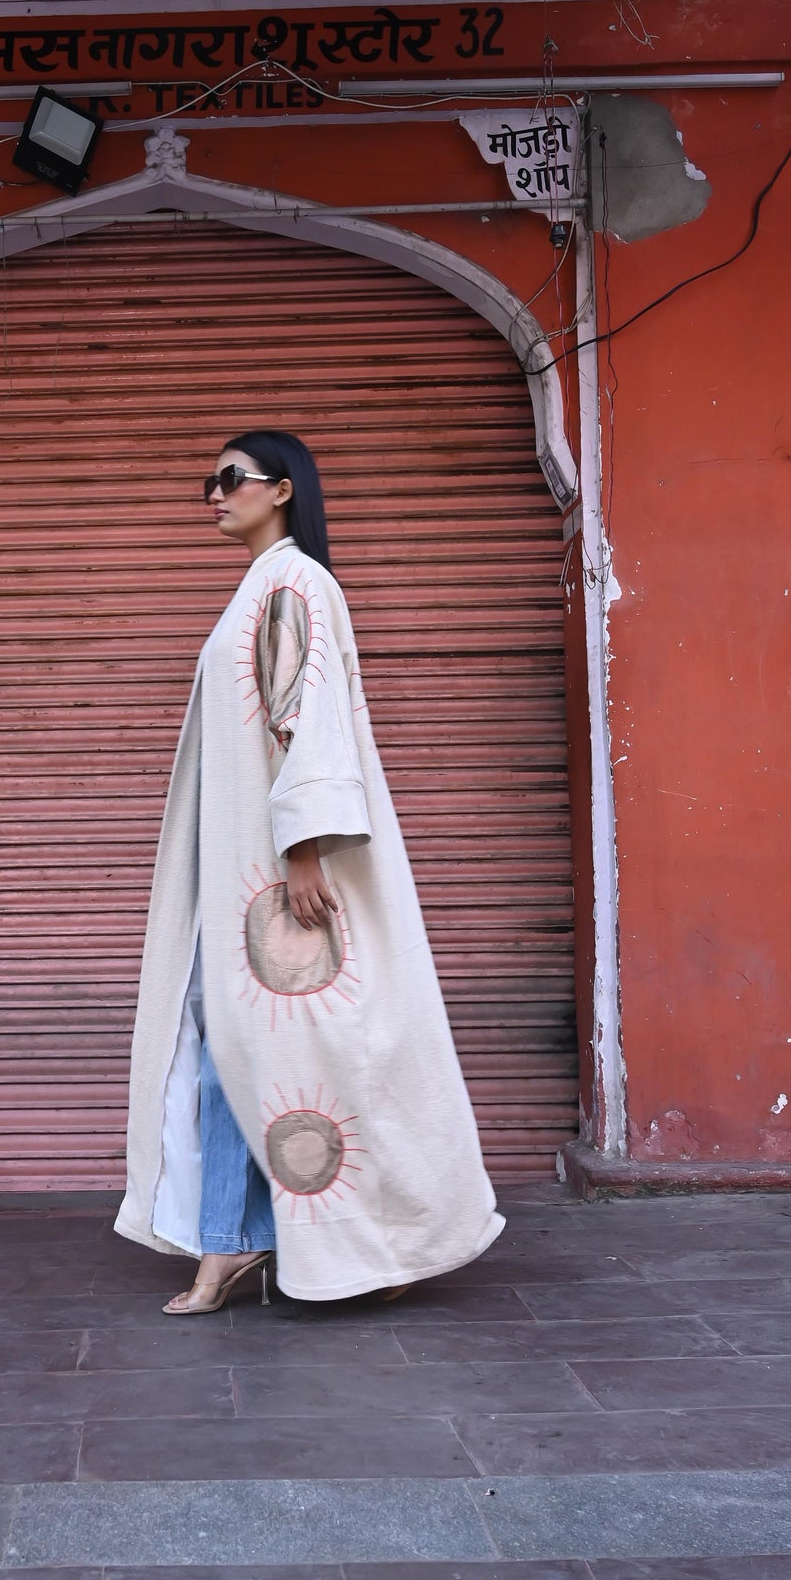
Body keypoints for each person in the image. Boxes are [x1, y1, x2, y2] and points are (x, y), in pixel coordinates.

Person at [116, 432, 504, 1313]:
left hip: (277, 877)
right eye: (205, 481)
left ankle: (372, 1238)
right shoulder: (264, 588)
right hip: (240, 878)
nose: (212, 495)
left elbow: (305, 718)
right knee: (234, 1052)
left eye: (227, 480)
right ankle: (235, 1242)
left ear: (281, 490)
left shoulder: (295, 584)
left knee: (313, 1055)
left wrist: (300, 851)